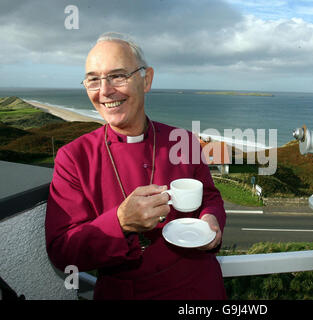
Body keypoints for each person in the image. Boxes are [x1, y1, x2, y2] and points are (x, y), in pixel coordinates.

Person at [45, 32, 227, 300]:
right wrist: (120, 223)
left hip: (199, 286)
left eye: (118, 75)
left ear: (147, 79)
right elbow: (63, 251)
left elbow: (210, 196)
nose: (105, 91)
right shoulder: (73, 158)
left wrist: (211, 219)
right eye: (94, 79)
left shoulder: (184, 141)